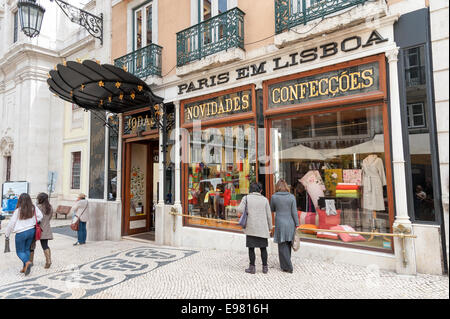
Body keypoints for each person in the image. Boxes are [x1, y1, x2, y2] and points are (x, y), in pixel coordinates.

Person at [237, 182, 273, 274]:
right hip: (262, 228)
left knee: (251, 248)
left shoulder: (246, 198)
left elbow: (240, 210)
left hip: (251, 227)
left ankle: (252, 268)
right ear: (259, 190)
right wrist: (270, 227)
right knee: (263, 248)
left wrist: (247, 209)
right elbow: (269, 215)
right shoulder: (265, 200)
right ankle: (265, 268)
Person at [4, 193, 43, 276]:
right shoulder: (33, 207)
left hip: (21, 233)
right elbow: (40, 216)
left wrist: (7, 234)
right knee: (26, 250)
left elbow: (11, 224)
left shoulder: (18, 210)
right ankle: (25, 267)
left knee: (19, 251)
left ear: (20, 200)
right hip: (31, 231)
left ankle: (27, 262)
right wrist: (32, 222)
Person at [270, 179, 299, 273]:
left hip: (280, 223)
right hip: (290, 223)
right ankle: (285, 265)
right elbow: (294, 212)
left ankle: (288, 266)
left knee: (282, 245)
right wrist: (297, 223)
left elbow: (272, 209)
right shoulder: (292, 197)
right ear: (286, 186)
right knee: (288, 244)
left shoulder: (274, 197)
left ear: (277, 187)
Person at [29, 193, 54, 268]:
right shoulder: (50, 207)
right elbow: (50, 218)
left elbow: (33, 218)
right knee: (45, 245)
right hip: (46, 228)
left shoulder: (37, 207)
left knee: (31, 246)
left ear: (40, 199)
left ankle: (31, 262)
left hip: (36, 228)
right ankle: (48, 261)